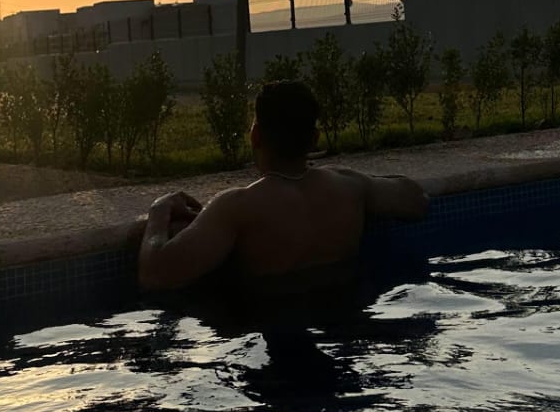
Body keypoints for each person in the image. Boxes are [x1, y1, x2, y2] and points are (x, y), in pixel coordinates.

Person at [138, 79, 428, 292]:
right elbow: (418, 201)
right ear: (314, 139)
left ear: (255, 136)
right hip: (345, 322)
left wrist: (159, 211)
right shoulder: (350, 186)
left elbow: (156, 275)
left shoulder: (237, 207)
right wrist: (367, 180)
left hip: (275, 334)